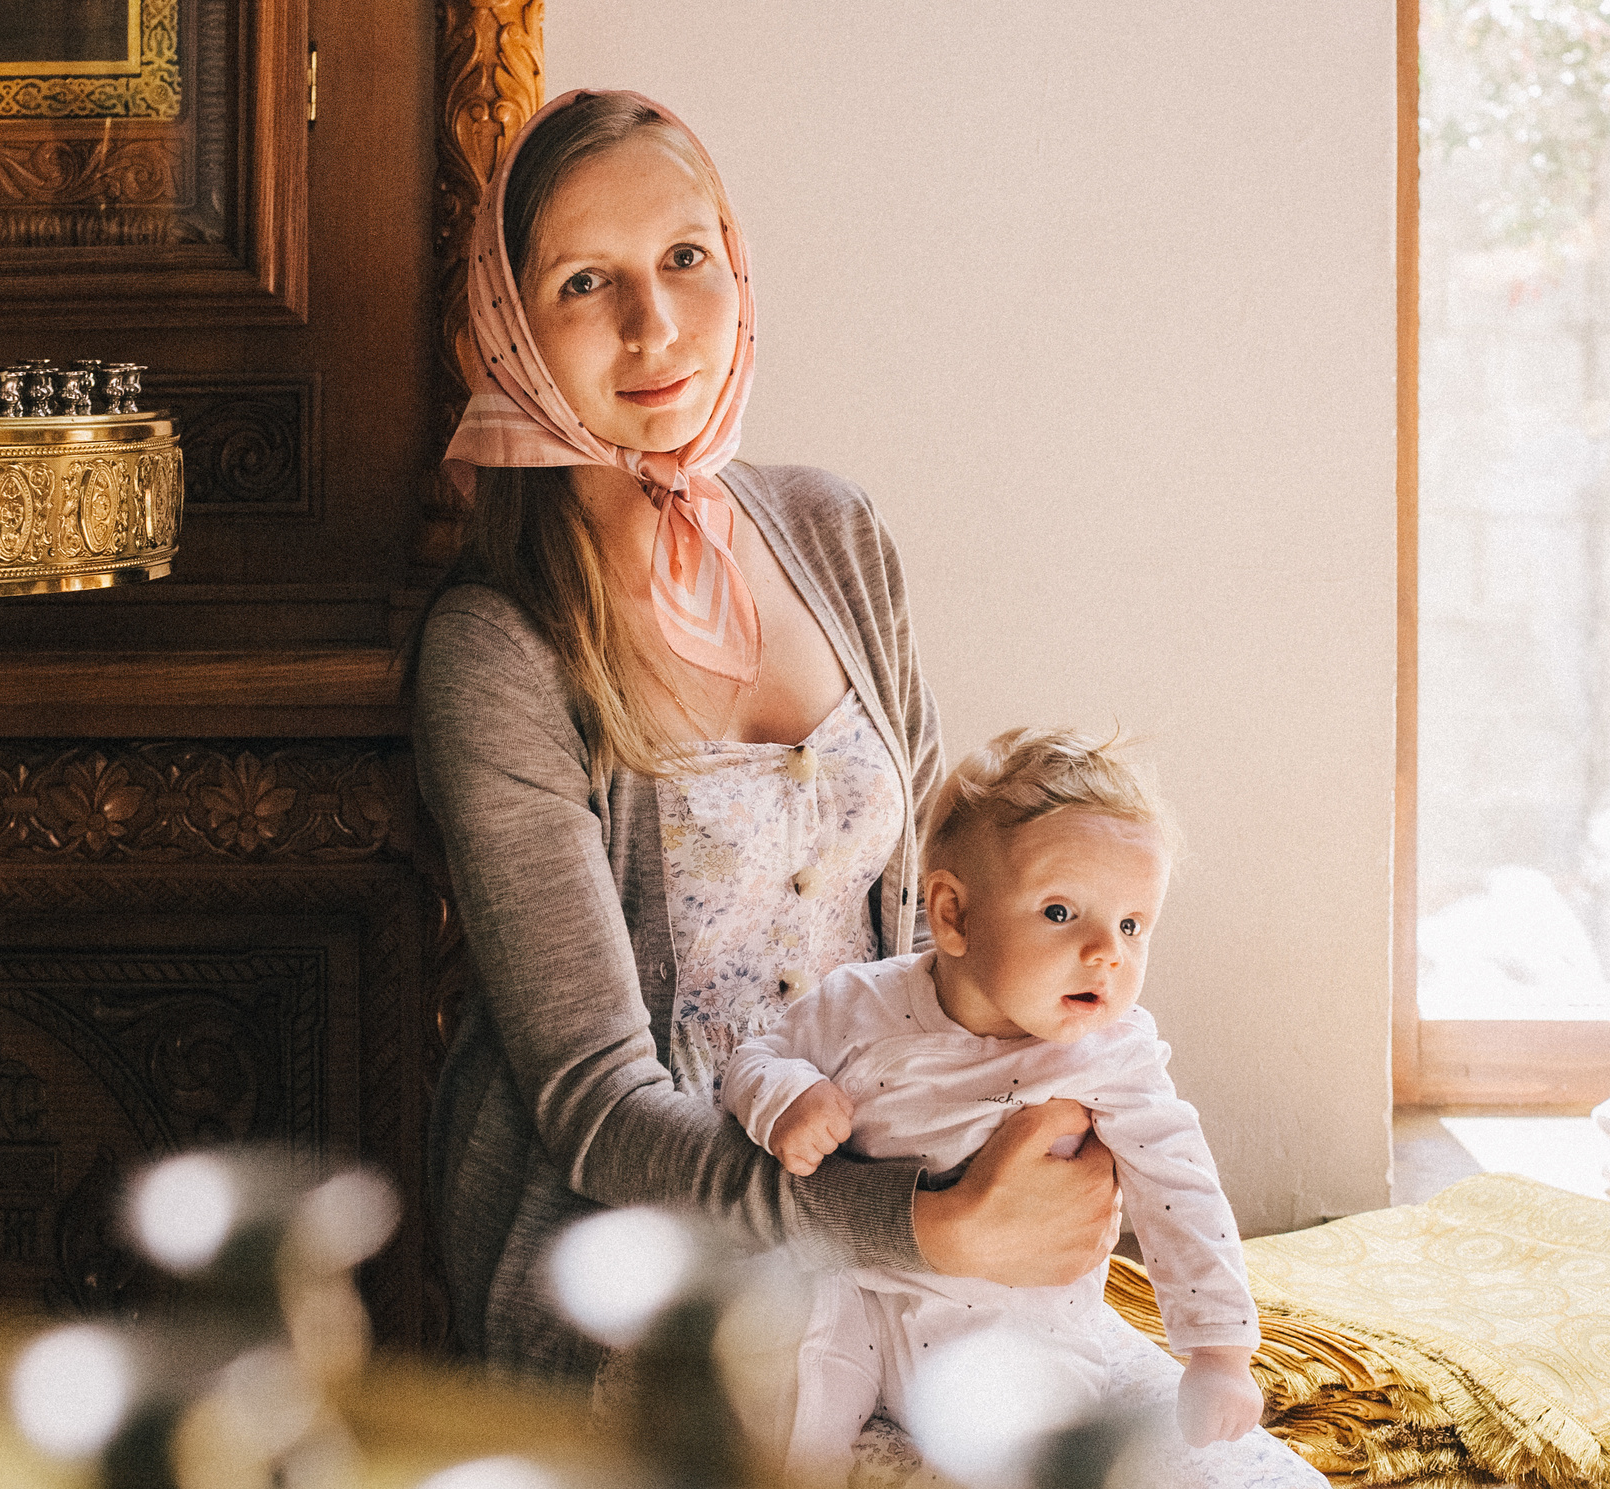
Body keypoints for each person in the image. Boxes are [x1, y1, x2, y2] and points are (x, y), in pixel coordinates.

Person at [412, 87, 1117, 1386]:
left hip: (898, 1171)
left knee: (1147, 1480)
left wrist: (1038, 1104)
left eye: (686, 257)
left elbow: (932, 923)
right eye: (585, 284)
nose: (656, 324)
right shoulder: (495, 648)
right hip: (638, 1245)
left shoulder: (834, 531)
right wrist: (921, 1226)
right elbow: (594, 1105)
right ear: (509, 331)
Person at [721, 728, 1267, 1486]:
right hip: (862, 1295)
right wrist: (788, 1098)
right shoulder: (860, 1004)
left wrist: (1219, 1354)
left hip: (1014, 1331)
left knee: (1020, 1480)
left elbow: (1181, 1187)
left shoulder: (1112, 1052)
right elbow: (752, 1057)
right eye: (1060, 912)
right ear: (953, 915)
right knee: (784, 1355)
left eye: (1133, 925)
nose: (1108, 951)